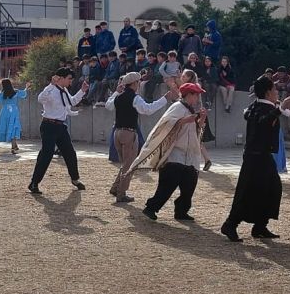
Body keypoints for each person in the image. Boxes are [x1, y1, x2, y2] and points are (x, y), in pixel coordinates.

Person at [221, 77, 290, 242]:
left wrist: (279, 108)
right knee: (249, 190)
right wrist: (280, 109)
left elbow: (250, 114)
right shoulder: (263, 108)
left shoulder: (258, 105)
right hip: (256, 155)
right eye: (275, 89)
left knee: (269, 188)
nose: (277, 92)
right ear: (268, 92)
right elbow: (262, 122)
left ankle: (259, 226)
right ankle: (231, 223)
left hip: (258, 154)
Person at [126, 83, 207, 221]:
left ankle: (181, 211)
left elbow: (195, 131)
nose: (198, 97)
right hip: (174, 154)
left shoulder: (191, 109)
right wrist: (184, 120)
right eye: (196, 94)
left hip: (190, 156)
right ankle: (151, 207)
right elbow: (166, 124)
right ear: (189, 95)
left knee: (189, 186)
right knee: (167, 186)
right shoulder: (177, 107)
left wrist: (201, 120)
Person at [105, 71, 175, 202]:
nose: (139, 84)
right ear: (134, 83)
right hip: (129, 133)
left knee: (125, 164)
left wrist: (116, 92)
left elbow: (108, 105)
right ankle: (121, 193)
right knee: (129, 165)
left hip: (117, 133)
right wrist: (164, 99)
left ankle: (115, 188)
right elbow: (148, 109)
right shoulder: (135, 98)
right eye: (138, 82)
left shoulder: (118, 97)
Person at [28, 68, 89, 194]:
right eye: (69, 78)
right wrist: (51, 85)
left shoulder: (64, 90)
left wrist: (82, 91)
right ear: (60, 78)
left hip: (61, 126)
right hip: (49, 125)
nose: (70, 81)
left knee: (70, 153)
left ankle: (75, 179)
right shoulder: (50, 89)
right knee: (47, 154)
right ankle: (34, 183)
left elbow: (71, 102)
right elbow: (40, 98)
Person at [0, 78, 31, 154]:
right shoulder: (15, 91)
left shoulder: (2, 93)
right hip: (13, 111)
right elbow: (23, 94)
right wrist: (26, 88)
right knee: (13, 126)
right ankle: (14, 146)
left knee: (7, 126)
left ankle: (14, 145)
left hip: (4, 111)